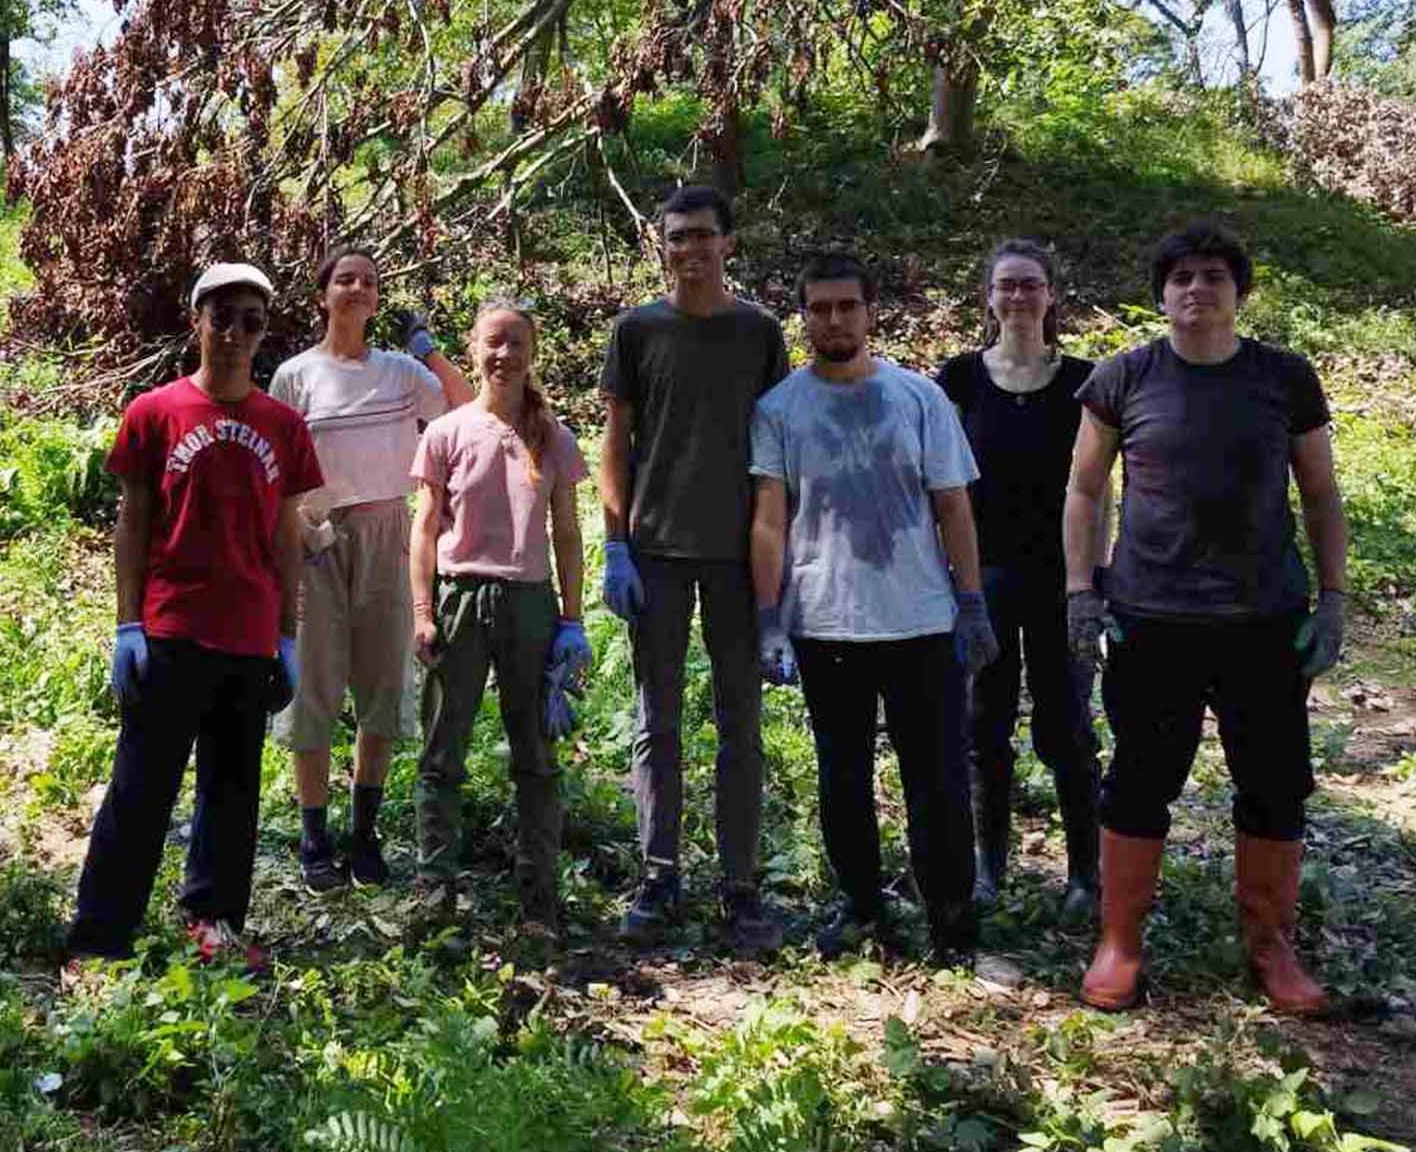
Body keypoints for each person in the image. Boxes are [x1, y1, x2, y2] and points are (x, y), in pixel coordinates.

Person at [1065, 222, 1348, 1015]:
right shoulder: (1123, 377)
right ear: (1161, 295)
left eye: (1214, 276)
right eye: (1182, 277)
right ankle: (1120, 943)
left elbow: (1321, 493)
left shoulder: (1284, 378)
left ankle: (1271, 947)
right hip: (1152, 618)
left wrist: (1334, 598)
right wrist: (1081, 591)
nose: (1197, 288)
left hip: (1264, 619)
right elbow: (1084, 488)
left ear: (1239, 293)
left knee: (1274, 784)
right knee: (1139, 780)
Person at [67, 262, 323, 971]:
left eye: (252, 322)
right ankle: (99, 939)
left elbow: (287, 535)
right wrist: (127, 626)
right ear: (197, 321)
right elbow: (133, 521)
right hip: (172, 630)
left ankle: (212, 928)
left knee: (231, 796)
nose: (236, 334)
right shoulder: (155, 412)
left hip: (248, 638)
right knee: (140, 791)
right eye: (223, 317)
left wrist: (288, 636)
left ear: (264, 333)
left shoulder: (283, 426)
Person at [750, 251, 999, 960]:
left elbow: (953, 506)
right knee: (843, 777)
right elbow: (769, 518)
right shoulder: (779, 410)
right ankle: (863, 907)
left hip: (922, 619)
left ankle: (951, 922)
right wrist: (769, 619)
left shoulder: (919, 398)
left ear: (870, 313)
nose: (834, 319)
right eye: (819, 308)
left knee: (938, 779)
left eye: (846, 306)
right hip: (826, 621)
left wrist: (971, 601)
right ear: (804, 318)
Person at [598, 185, 792, 952]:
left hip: (739, 558)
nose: (691, 249)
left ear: (727, 243)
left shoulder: (758, 332)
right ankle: (659, 876)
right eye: (677, 237)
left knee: (741, 723)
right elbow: (616, 442)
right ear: (662, 245)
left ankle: (740, 887)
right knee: (658, 722)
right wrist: (615, 543)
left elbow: (778, 448)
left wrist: (780, 567)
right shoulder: (637, 330)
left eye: (704, 236)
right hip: (657, 553)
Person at [269, 246, 476, 893]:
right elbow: (275, 469)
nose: (357, 287)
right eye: (345, 279)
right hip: (316, 536)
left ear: (378, 298)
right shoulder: (295, 376)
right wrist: (298, 533)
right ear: (323, 296)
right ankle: (314, 838)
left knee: (383, 685)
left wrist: (428, 350)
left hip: (389, 532)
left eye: (369, 281)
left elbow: (467, 408)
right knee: (314, 686)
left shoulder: (399, 372)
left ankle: (364, 834)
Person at [407, 298, 591, 934]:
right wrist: (423, 610)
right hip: (459, 599)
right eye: (493, 342)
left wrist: (572, 621)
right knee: (442, 751)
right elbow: (424, 529)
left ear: (532, 352)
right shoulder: (447, 432)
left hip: (528, 605)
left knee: (535, 756)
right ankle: (435, 891)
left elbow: (567, 533)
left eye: (516, 343)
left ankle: (539, 900)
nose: (504, 354)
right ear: (473, 348)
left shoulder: (553, 437)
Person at [935, 239, 1104, 916]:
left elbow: (1098, 490)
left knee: (1067, 728)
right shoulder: (959, 379)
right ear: (988, 297)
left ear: (1051, 295)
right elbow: (942, 484)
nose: (1018, 296)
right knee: (983, 724)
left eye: (1031, 284)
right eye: (1006, 285)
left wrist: (1091, 582)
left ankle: (1085, 874)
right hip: (987, 576)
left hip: (1063, 577)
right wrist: (954, 582)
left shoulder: (1085, 381)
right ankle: (989, 867)